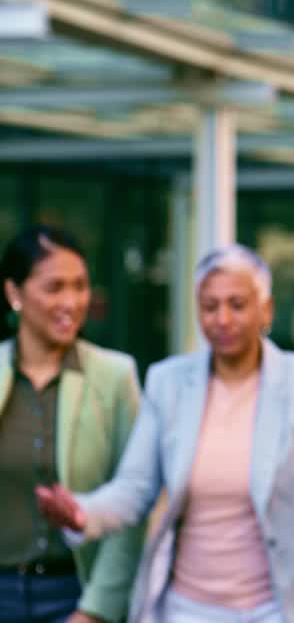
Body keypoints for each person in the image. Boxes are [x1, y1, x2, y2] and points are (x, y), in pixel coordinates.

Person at [35, 244, 294, 623]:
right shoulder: (167, 383)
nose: (222, 319)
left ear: (265, 310)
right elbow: (135, 488)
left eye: (237, 304)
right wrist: (82, 513)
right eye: (210, 306)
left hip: (282, 608)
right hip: (188, 609)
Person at [0, 226, 144, 623]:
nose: (71, 301)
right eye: (55, 287)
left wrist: (96, 611)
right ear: (14, 293)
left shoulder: (115, 377)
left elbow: (133, 503)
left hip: (75, 594)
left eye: (80, 286)